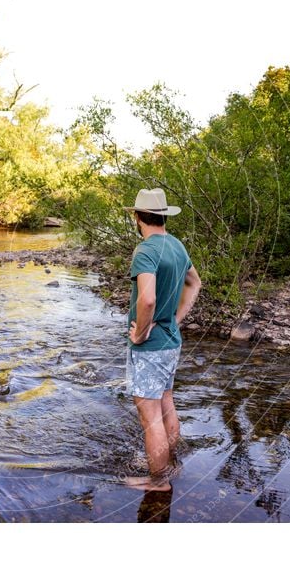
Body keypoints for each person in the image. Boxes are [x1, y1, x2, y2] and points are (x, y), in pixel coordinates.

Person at [122, 188, 201, 492]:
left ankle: (158, 482)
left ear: (137, 216)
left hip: (151, 345)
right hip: (171, 340)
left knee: (150, 417)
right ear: (163, 215)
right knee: (166, 402)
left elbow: (148, 300)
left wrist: (141, 333)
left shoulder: (146, 250)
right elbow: (195, 283)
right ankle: (169, 463)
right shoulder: (177, 246)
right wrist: (176, 320)